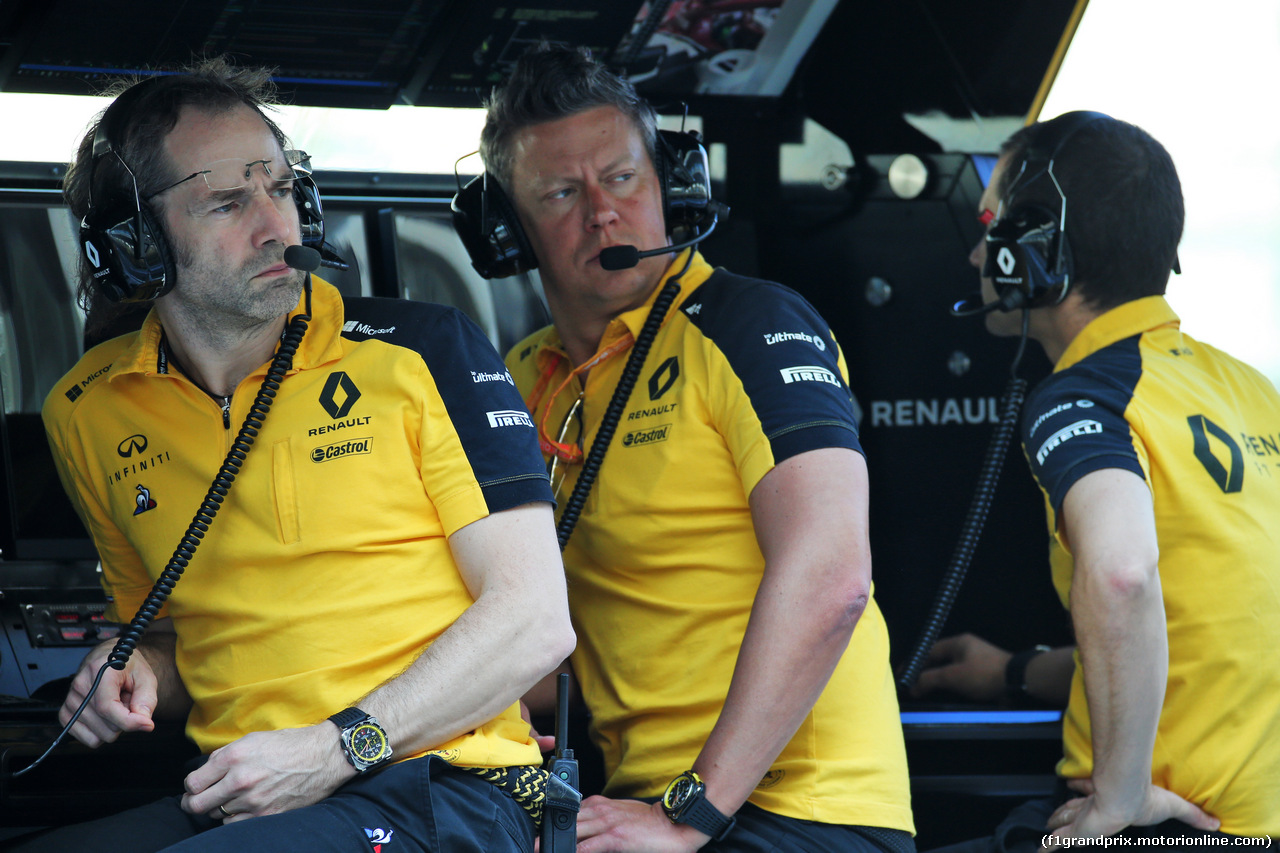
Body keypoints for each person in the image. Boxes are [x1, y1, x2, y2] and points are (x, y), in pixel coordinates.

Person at [22, 57, 575, 853]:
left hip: (444, 787)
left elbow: (535, 620)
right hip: (248, 795)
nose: (276, 225)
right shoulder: (88, 410)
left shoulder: (420, 353)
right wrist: (132, 664)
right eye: (227, 200)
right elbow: (175, 641)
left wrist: (332, 747)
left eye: (281, 189)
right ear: (135, 241)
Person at [468, 44, 915, 853]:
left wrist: (688, 815)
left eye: (623, 177)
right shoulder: (520, 377)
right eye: (562, 192)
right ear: (505, 229)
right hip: (640, 809)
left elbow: (834, 577)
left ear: (673, 185)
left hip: (799, 814)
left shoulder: (748, 325)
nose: (602, 212)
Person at [932, 110, 1280, 847]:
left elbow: (1123, 576)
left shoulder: (1086, 395)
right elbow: (1202, 634)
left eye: (991, 223)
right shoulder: (1251, 389)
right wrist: (1013, 674)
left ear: (1036, 245)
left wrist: (1116, 801)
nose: (974, 254)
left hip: (1173, 824)